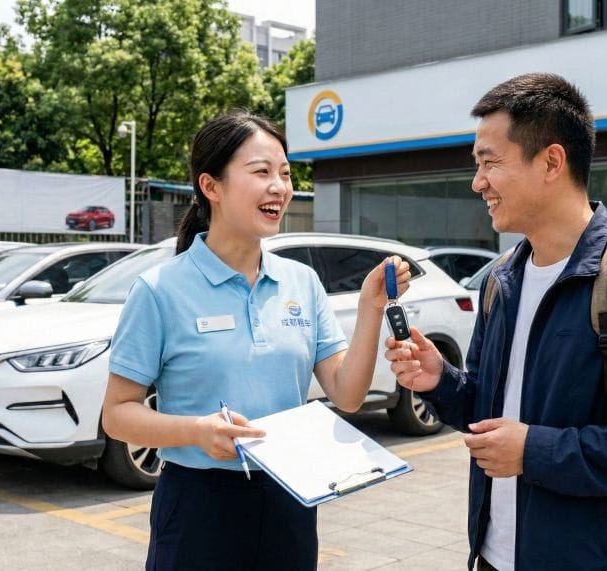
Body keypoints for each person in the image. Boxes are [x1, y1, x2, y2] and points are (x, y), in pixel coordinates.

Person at [384, 73, 607, 570]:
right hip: (494, 556)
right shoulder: (502, 281)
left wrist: (534, 450)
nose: (478, 182)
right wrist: (440, 383)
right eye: (477, 164)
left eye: (490, 162)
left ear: (552, 161)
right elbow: (493, 416)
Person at [102, 112, 411, 570]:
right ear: (212, 186)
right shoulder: (160, 289)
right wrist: (198, 432)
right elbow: (118, 415)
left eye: (285, 174)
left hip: (291, 496)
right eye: (261, 172)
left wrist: (370, 308)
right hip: (198, 506)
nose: (280, 187)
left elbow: (347, 395)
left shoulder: (301, 282)